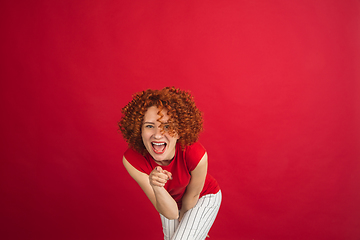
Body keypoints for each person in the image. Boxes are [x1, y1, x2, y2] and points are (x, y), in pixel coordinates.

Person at [118, 87, 221, 240]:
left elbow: (192, 196)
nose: (158, 134)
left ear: (179, 131)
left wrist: (192, 227)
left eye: (167, 126)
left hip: (203, 197)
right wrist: (157, 186)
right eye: (149, 126)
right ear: (139, 130)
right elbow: (170, 212)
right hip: (167, 200)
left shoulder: (195, 154)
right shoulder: (132, 160)